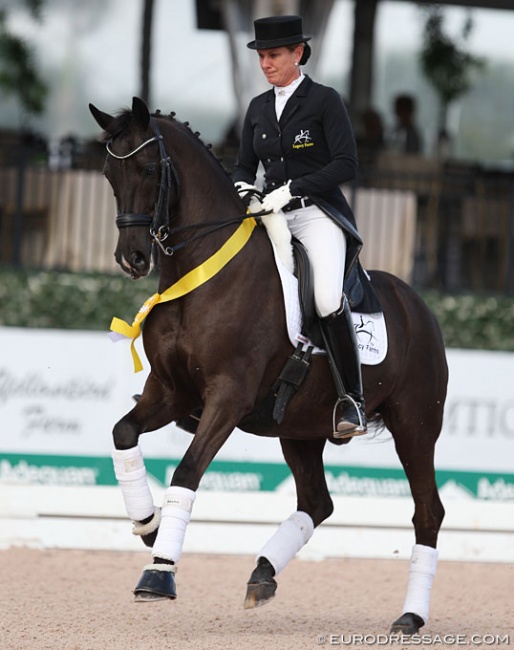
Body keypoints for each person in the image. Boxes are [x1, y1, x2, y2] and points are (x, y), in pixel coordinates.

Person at [233, 15, 366, 438]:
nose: (266, 64)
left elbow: (346, 164)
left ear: (298, 53)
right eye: (261, 56)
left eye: (273, 55)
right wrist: (245, 192)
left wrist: (293, 189)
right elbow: (242, 168)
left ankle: (352, 400)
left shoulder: (324, 101)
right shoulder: (256, 108)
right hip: (270, 217)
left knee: (326, 298)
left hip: (315, 214)